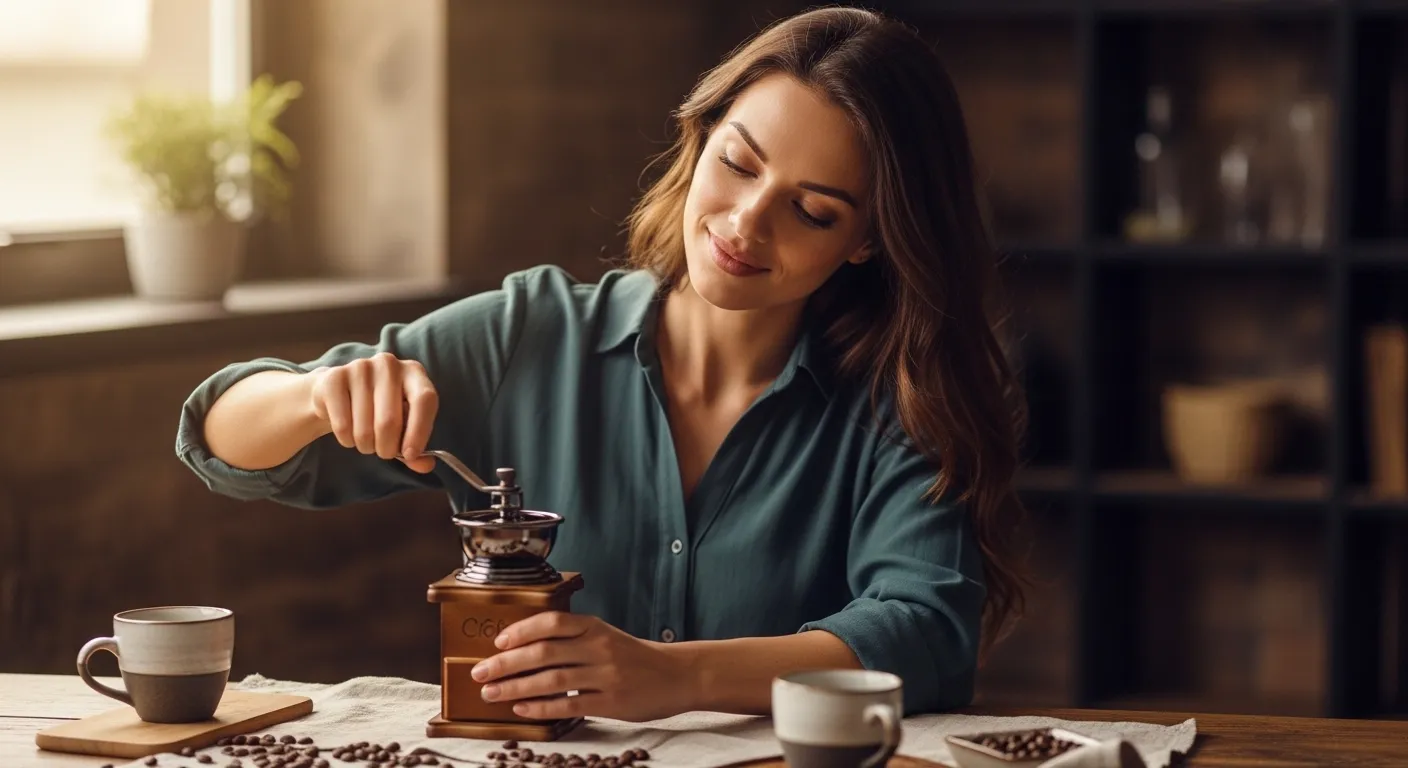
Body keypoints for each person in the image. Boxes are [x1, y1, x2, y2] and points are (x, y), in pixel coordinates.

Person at [177, 6, 1029, 723]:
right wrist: (314, 397)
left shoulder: (898, 397)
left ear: (868, 240)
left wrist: (676, 676)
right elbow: (221, 438)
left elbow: (925, 633)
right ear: (699, 139)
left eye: (810, 211)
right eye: (737, 163)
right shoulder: (530, 335)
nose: (744, 223)